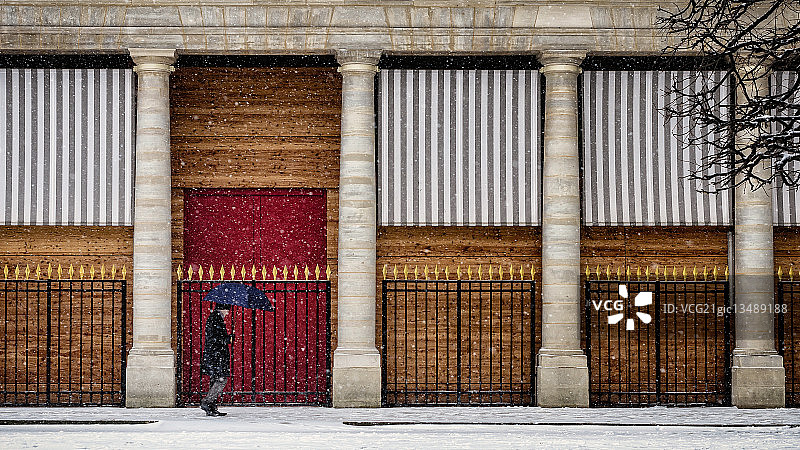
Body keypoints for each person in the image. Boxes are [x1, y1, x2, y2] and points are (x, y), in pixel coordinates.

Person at [201, 303, 234, 416]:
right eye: (227, 310)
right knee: (221, 379)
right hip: (216, 355)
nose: (228, 313)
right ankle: (207, 402)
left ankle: (211, 407)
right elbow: (214, 338)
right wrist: (227, 339)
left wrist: (227, 337)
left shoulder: (215, 318)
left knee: (215, 379)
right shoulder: (215, 319)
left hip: (215, 354)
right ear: (222, 309)